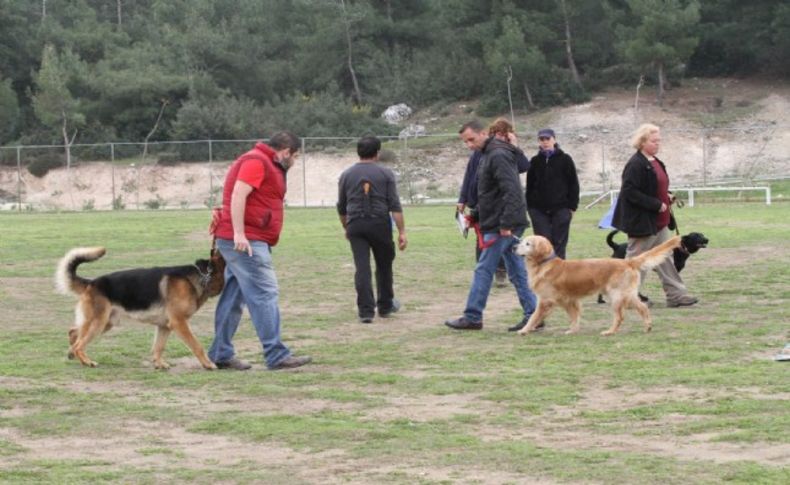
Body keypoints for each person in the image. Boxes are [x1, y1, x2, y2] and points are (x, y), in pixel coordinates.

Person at [208, 132, 312, 370]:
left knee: (234, 296)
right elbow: (238, 194)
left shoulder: (263, 162)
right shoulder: (256, 161)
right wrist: (239, 233)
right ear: (285, 152)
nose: (295, 161)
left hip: (246, 238)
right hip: (246, 241)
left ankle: (220, 353)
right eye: (295, 156)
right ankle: (275, 354)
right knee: (265, 293)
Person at [445, 118, 538, 332]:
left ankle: (472, 316)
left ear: (483, 133)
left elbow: (512, 191)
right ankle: (534, 315)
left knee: (484, 269)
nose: (469, 145)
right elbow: (489, 192)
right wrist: (475, 215)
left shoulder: (497, 154)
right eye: (465, 142)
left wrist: (506, 223)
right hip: (497, 221)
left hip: (502, 224)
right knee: (516, 272)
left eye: (471, 139)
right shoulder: (488, 154)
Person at [612, 123, 698, 308]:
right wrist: (656, 204)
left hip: (659, 222)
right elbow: (629, 191)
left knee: (664, 258)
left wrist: (666, 196)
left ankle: (676, 295)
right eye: (654, 141)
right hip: (642, 222)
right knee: (635, 261)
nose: (658, 144)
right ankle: (626, 297)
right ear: (642, 142)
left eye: (659, 140)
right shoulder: (635, 164)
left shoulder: (655, 161)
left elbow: (655, 186)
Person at [337, 136, 407, 323]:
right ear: (377, 153)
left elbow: (342, 207)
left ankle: (366, 311)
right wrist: (401, 231)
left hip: (355, 224)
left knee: (362, 267)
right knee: (384, 265)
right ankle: (385, 305)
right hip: (379, 224)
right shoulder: (386, 174)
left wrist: (346, 226)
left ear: (358, 152)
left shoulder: (346, 175)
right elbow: (395, 206)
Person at [457, 120, 529, 287]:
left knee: (502, 247)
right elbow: (470, 176)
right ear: (489, 133)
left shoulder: (504, 153)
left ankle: (494, 276)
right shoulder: (479, 152)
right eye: (496, 133)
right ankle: (485, 275)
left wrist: (515, 147)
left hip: (502, 209)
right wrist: (463, 198)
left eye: (504, 134)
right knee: (483, 242)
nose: (499, 137)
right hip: (481, 204)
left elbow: (523, 167)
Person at [526, 128, 580, 259]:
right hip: (538, 210)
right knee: (542, 243)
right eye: (542, 139)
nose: (545, 142)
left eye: (547, 139)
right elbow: (529, 185)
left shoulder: (565, 159)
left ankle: (559, 275)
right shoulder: (534, 161)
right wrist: (530, 207)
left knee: (559, 242)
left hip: (561, 208)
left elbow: (574, 184)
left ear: (554, 139)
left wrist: (572, 207)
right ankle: (544, 274)